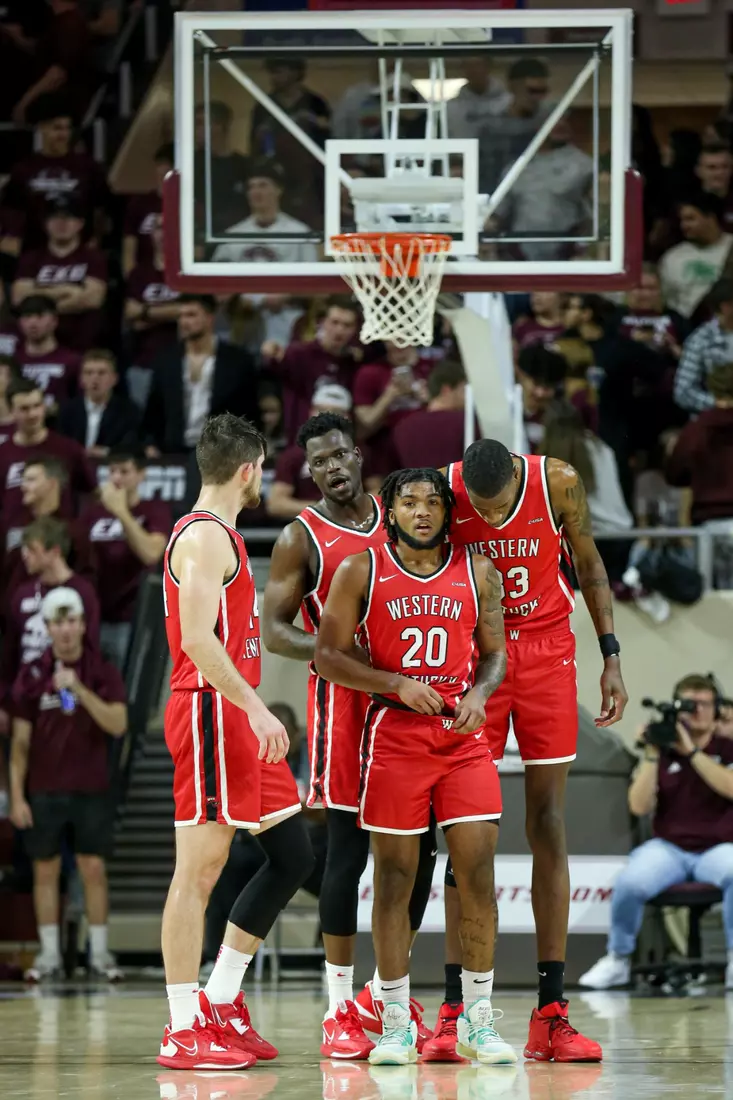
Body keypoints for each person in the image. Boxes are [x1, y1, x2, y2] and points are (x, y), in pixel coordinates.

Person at [437, 439, 628, 1063]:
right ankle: (454, 1012)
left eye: (498, 510)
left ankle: (550, 1014)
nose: (490, 520)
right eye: (481, 511)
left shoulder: (558, 482)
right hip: (477, 659)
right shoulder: (443, 488)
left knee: (547, 822)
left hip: (548, 651)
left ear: (517, 479)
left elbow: (591, 564)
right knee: (468, 831)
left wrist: (612, 658)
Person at [315, 467, 514, 1066]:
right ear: (391, 510)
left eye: (432, 502)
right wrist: (394, 683)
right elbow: (326, 656)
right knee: (396, 882)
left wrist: (480, 694)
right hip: (395, 735)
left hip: (459, 734)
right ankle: (396, 1022)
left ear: (448, 512)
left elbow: (497, 654)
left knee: (477, 869)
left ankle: (477, 1017)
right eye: (409, 502)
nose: (422, 511)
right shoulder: (361, 569)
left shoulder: (477, 571)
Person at [262, 414, 436, 1060]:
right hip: (342, 706)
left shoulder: (403, 513)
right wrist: (338, 654)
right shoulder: (299, 536)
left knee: (421, 851)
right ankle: (338, 1009)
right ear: (310, 473)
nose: (332, 468)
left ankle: (382, 997)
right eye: (319, 462)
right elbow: (275, 628)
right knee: (347, 852)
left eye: (339, 454)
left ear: (357, 454)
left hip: (410, 700)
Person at [158, 413, 314, 1071]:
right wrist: (256, 708)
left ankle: (222, 997)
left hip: (233, 719)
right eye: (262, 471)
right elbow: (197, 641)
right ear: (248, 470)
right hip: (211, 713)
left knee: (292, 854)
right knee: (197, 873)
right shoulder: (200, 538)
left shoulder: (220, 535)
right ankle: (182, 1025)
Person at [579, 674, 733, 991]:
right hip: (670, 848)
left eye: (704, 704)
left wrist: (691, 752)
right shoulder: (663, 750)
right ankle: (618, 959)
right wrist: (652, 754)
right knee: (630, 882)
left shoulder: (726, 747)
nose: (696, 712)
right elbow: (638, 806)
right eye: (689, 705)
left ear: (716, 709)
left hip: (718, 846)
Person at [9, 586, 126, 981]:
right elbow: (20, 742)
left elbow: (118, 722)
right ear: (47, 627)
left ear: (82, 625)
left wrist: (78, 690)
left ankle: (99, 954)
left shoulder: (102, 669)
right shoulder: (32, 675)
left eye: (71, 621)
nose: (65, 631)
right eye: (57, 623)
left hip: (91, 787)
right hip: (44, 789)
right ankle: (49, 957)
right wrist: (17, 795)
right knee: (46, 870)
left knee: (93, 868)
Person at [0, 517, 100, 731]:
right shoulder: (22, 593)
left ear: (54, 552)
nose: (24, 555)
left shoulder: (82, 592)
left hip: (64, 690)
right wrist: (3, 700)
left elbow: (91, 648)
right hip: (25, 689)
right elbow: (9, 652)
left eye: (32, 549)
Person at [81, 450, 171, 670]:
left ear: (141, 475)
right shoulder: (93, 513)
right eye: (112, 471)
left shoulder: (154, 511)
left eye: (124, 471)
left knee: (126, 684)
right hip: (94, 616)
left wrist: (121, 513)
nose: (116, 478)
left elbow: (151, 553)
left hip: (132, 618)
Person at [212, 160, 317, 347]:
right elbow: (217, 284)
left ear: (279, 190)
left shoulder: (300, 233)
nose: (256, 192)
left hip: (286, 318)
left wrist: (288, 295)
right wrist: (237, 299)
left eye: (263, 185)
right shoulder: (233, 235)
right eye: (251, 187)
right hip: (242, 319)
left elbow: (315, 286)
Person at [143, 295, 261, 456]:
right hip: (173, 452)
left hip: (222, 454)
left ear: (209, 318)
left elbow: (249, 413)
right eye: (181, 316)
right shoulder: (165, 361)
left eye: (191, 315)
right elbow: (154, 411)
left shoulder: (237, 361)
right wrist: (151, 445)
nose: (184, 322)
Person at [2, 94, 108, 250]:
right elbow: (11, 210)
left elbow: (102, 207)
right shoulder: (23, 169)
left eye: (67, 128)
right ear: (42, 128)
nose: (63, 134)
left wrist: (96, 239)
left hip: (77, 253)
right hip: (34, 253)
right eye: (57, 128)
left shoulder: (88, 167)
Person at [12, 196, 108, 351]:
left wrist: (39, 300)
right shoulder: (30, 259)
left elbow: (93, 299)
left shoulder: (94, 258)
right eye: (54, 218)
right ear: (45, 224)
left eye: (68, 218)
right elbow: (20, 298)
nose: (61, 224)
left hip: (82, 343)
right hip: (38, 347)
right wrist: (69, 291)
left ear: (80, 224)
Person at [262, 296, 361, 443]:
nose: (340, 330)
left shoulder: (354, 362)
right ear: (321, 323)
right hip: (303, 443)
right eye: (334, 322)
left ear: (355, 329)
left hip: (342, 442)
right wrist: (270, 356)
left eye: (347, 325)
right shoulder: (299, 354)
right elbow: (271, 372)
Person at [0, 377, 96, 523]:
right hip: (14, 538)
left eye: (37, 406)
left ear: (44, 406)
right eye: (24, 409)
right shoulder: (3, 453)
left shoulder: (68, 449)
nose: (33, 414)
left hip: (59, 536)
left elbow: (92, 493)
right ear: (12, 412)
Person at [0, 456, 96, 598]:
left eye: (31, 480)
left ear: (52, 483)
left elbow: (85, 580)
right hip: (12, 614)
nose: (22, 486)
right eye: (23, 480)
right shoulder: (12, 525)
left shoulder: (73, 531)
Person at [266, 385, 354, 521]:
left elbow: (376, 491)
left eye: (335, 411)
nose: (326, 417)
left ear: (347, 416)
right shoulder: (292, 457)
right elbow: (276, 504)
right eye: (321, 410)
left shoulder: (360, 453)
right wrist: (324, 509)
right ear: (310, 412)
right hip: (310, 527)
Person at [659, 192, 733, 321]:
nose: (684, 225)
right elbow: (666, 300)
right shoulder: (673, 257)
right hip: (685, 326)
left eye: (690, 219)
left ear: (711, 218)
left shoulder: (730, 247)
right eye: (682, 220)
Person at [57, 349, 139, 457]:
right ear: (81, 380)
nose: (95, 379)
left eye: (101, 373)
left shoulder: (128, 411)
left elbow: (133, 447)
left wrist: (107, 452)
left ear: (114, 379)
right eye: (89, 373)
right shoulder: (67, 411)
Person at [392, 360, 467, 470]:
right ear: (446, 390)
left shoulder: (403, 427)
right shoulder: (464, 420)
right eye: (463, 390)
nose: (467, 397)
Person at [13, 295, 81, 415]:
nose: (33, 323)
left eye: (40, 316)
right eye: (27, 317)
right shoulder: (12, 361)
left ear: (55, 320)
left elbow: (80, 402)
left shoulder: (72, 361)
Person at [674, 277, 733, 414]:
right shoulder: (701, 340)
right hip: (717, 421)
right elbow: (683, 392)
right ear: (726, 307)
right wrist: (718, 403)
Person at [123, 144, 174, 276]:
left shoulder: (190, 206)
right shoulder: (139, 203)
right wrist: (132, 280)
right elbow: (129, 249)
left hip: (177, 278)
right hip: (144, 278)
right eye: (160, 164)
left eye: (169, 165)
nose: (164, 170)